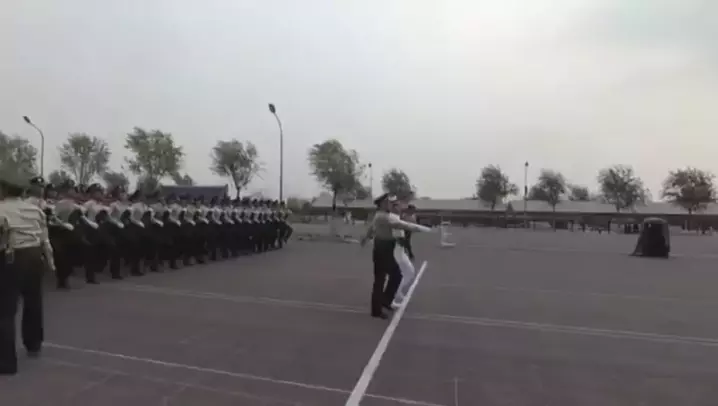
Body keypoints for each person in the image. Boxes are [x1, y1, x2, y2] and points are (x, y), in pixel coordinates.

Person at [0, 173, 55, 375]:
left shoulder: (1, 209)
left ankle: (6, 362)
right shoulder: (35, 210)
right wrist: (51, 264)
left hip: (12, 258)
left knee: (6, 310)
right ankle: (34, 343)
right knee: (33, 301)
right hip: (35, 257)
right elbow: (45, 240)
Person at [360, 194, 431, 319]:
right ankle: (380, 306)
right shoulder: (384, 217)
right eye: (387, 202)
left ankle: (383, 303)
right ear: (382, 204)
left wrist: (366, 238)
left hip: (383, 247)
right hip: (384, 248)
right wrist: (424, 229)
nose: (390, 204)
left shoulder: (379, 215)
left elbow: (371, 228)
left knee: (387, 277)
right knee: (388, 277)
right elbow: (403, 225)